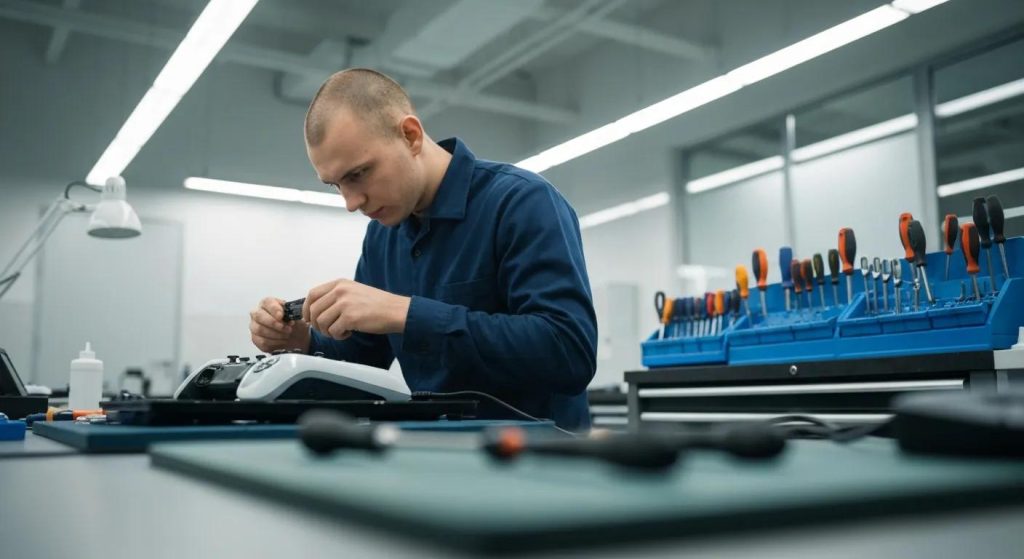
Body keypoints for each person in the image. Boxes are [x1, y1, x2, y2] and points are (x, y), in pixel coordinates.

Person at [248, 69, 597, 430]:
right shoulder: (382, 237)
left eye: (358, 174)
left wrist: (407, 314)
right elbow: (364, 358)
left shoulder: (522, 202)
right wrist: (301, 341)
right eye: (337, 184)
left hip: (538, 462)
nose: (351, 202)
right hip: (436, 452)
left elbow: (569, 353)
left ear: (410, 136)